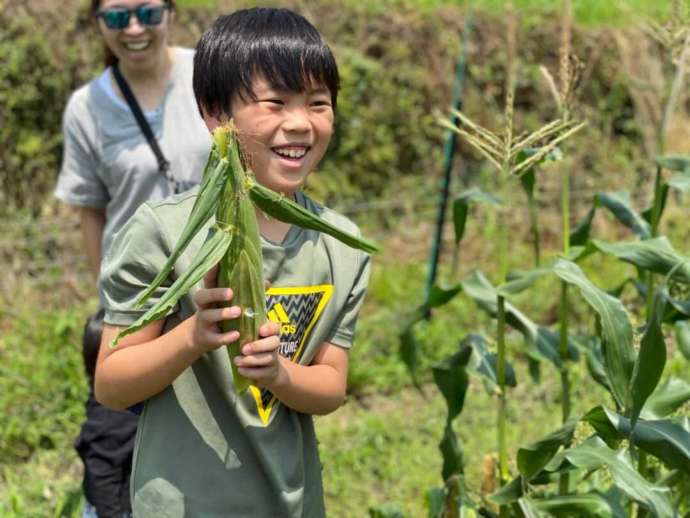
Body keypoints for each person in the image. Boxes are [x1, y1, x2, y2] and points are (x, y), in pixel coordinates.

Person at [94, 7, 372, 516]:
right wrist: (192, 336)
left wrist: (279, 376)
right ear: (215, 113)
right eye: (275, 103)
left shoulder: (343, 246)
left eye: (318, 103)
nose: (300, 124)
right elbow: (112, 384)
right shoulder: (164, 232)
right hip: (180, 504)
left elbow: (332, 386)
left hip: (291, 501)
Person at [54, 1, 210, 516]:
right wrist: (110, 301)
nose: (135, 29)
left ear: (170, 9)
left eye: (147, 11)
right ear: (99, 25)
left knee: (208, 443)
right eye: (118, 18)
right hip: (138, 305)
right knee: (113, 445)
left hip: (214, 292)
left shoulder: (210, 74)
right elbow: (91, 211)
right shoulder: (87, 107)